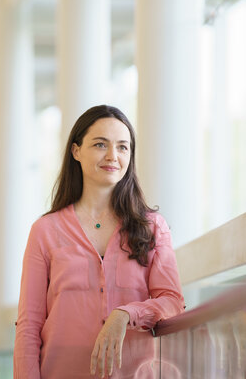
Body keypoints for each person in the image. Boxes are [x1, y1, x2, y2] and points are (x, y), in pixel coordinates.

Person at [13, 105, 185, 379]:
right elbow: (29, 325)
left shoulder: (153, 227)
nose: (112, 156)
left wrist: (126, 314)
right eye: (100, 144)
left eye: (122, 147)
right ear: (76, 151)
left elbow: (172, 301)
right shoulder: (44, 231)